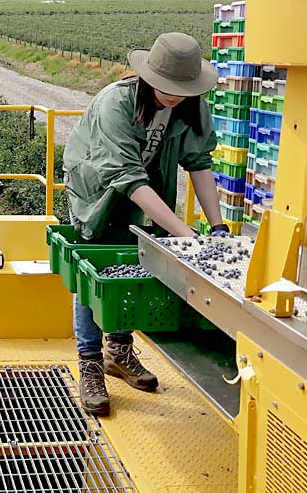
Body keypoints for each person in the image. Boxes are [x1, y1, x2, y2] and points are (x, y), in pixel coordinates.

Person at [62, 32, 230, 416]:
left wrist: (217, 228)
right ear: (147, 77)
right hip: (99, 192)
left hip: (145, 191)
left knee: (134, 266)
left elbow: (199, 163)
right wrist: (185, 234)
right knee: (98, 272)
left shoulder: (191, 105)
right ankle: (89, 362)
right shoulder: (115, 104)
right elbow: (127, 177)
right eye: (167, 87)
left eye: (182, 89)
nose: (173, 95)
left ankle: (118, 353)